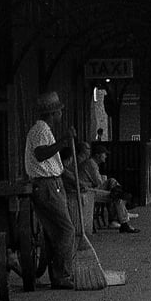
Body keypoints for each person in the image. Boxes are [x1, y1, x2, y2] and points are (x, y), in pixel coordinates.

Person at [17, 91, 78, 290]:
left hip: (50, 183)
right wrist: (63, 141)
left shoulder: (43, 129)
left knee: (54, 232)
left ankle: (57, 275)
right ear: (53, 113)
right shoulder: (41, 130)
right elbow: (41, 154)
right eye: (60, 111)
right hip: (47, 185)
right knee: (66, 229)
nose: (61, 114)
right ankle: (62, 275)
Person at [80, 141, 138, 233]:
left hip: (91, 189)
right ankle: (124, 221)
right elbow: (98, 182)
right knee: (116, 194)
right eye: (104, 154)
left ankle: (122, 220)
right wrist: (103, 179)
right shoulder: (91, 164)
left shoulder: (92, 163)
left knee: (116, 194)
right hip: (89, 192)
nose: (106, 156)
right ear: (98, 155)